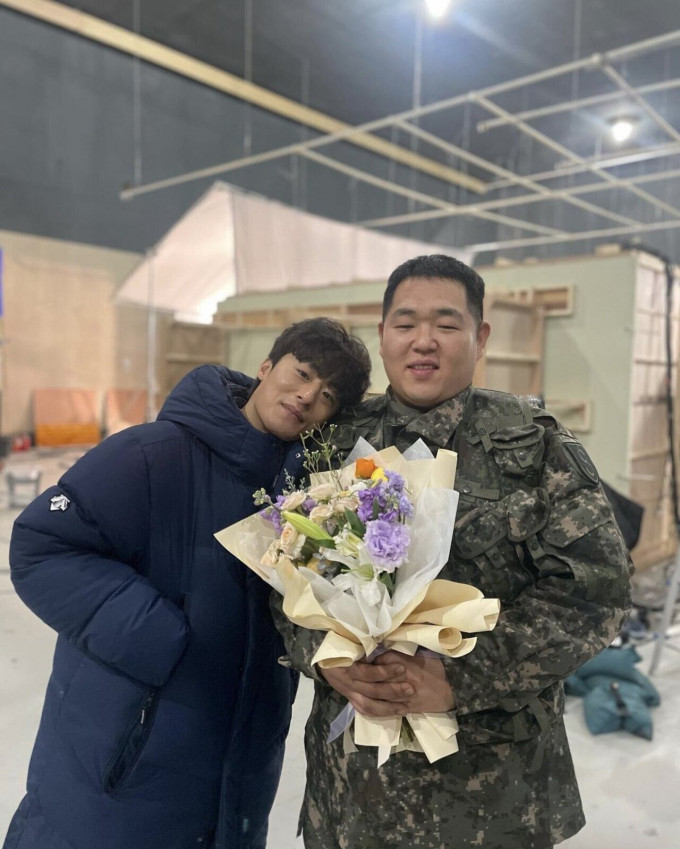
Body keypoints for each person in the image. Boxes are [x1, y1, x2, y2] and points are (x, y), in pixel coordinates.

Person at [272, 255, 632, 849]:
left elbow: (596, 594)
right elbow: (279, 578)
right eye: (405, 323)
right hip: (352, 788)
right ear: (382, 335)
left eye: (446, 324)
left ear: (480, 337)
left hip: (490, 797)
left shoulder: (535, 448)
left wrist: (461, 676)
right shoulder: (331, 444)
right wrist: (325, 657)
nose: (424, 341)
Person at [3, 317, 372, 849]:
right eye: (302, 373)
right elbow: (42, 545)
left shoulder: (312, 497)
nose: (308, 396)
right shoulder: (152, 453)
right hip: (125, 762)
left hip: (240, 767)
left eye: (328, 395)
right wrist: (159, 638)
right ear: (266, 366)